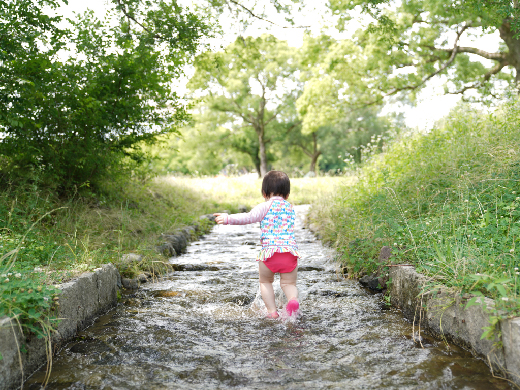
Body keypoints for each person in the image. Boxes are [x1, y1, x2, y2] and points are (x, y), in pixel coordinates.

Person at [214, 171, 301, 319]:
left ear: (264, 193)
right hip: (289, 253)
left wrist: (228, 218)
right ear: (287, 195)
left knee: (265, 282)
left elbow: (248, 217)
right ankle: (293, 301)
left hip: (270, 254)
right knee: (288, 283)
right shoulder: (290, 208)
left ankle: (272, 312)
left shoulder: (265, 206)